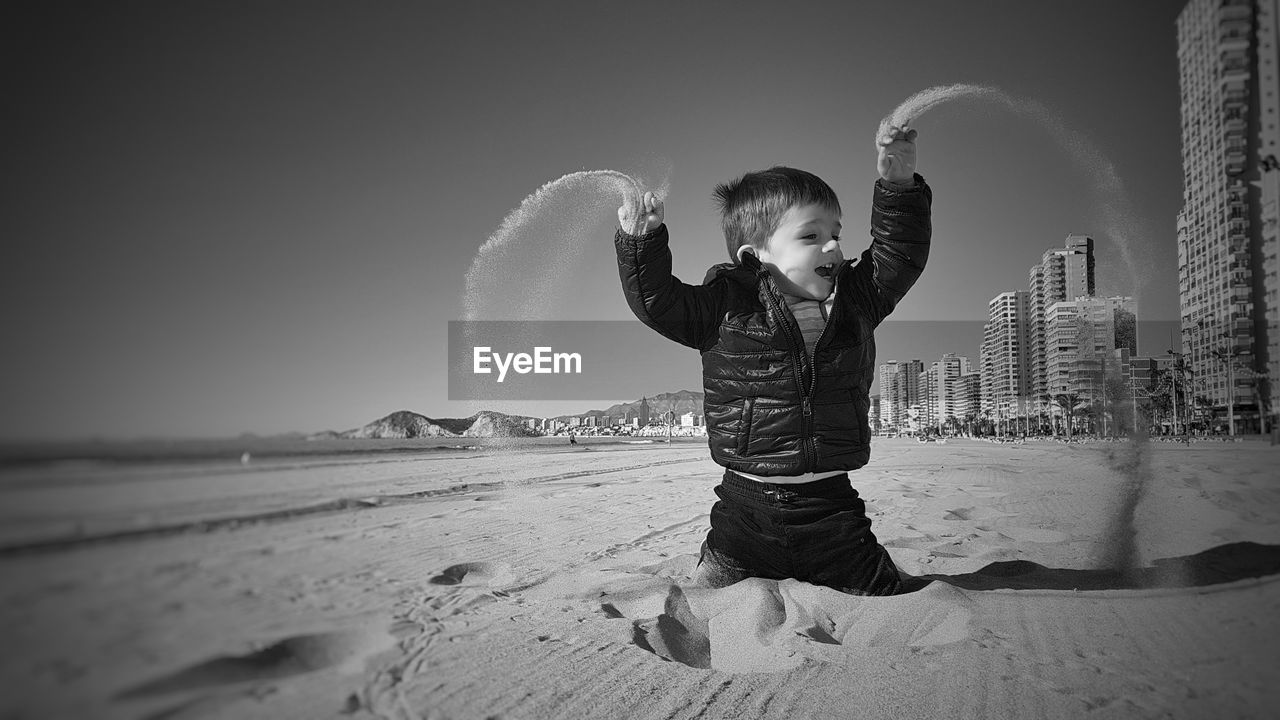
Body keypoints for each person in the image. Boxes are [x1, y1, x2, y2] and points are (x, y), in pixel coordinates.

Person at [613, 125, 929, 596]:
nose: (834, 247)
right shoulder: (722, 308)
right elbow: (655, 301)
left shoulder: (857, 302)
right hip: (744, 511)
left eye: (836, 233)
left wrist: (899, 187)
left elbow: (899, 256)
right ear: (754, 256)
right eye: (811, 235)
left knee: (885, 589)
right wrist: (642, 242)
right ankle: (720, 564)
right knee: (711, 585)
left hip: (832, 509)